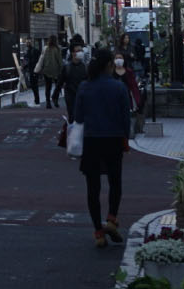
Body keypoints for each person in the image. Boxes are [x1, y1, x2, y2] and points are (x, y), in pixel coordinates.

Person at [72, 47, 130, 249]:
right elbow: (126, 117)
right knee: (115, 181)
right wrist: (126, 137)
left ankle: (98, 231)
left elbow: (77, 117)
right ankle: (112, 219)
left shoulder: (84, 87)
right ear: (109, 66)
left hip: (91, 139)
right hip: (113, 138)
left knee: (92, 187)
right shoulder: (118, 87)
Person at [114, 51, 144, 138]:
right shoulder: (111, 71)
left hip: (126, 96)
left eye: (120, 58)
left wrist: (137, 99)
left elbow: (133, 86)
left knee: (126, 115)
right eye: (116, 58)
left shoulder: (128, 71)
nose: (118, 60)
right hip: (114, 97)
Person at [64, 38, 90, 123]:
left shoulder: (85, 67)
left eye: (81, 50)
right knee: (72, 118)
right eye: (78, 51)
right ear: (72, 53)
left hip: (83, 96)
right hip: (71, 96)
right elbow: (61, 80)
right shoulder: (67, 67)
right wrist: (55, 95)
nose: (81, 52)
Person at [37, 37, 64, 109]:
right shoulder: (57, 49)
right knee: (58, 86)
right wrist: (62, 69)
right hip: (56, 70)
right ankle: (55, 99)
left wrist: (42, 68)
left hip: (46, 70)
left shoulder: (45, 48)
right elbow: (59, 60)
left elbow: (42, 58)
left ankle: (48, 102)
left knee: (48, 87)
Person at [25, 39, 43, 105]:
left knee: (34, 85)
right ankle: (36, 99)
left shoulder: (31, 51)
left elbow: (27, 61)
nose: (27, 44)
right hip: (35, 70)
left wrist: (24, 66)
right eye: (27, 42)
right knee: (34, 85)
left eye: (28, 42)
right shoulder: (33, 51)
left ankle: (37, 100)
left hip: (33, 70)